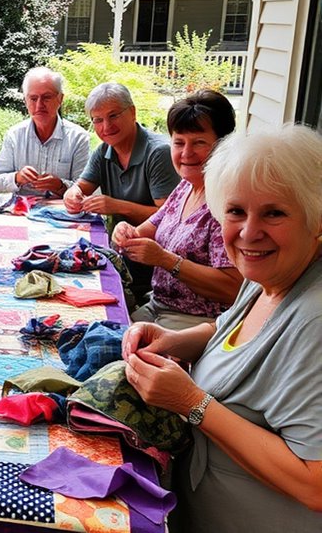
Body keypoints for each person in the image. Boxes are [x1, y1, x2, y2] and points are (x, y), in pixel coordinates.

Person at [122, 124, 322, 532]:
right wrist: (176, 340)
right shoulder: (267, 274)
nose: (249, 232)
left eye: (274, 212)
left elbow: (314, 484)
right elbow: (230, 330)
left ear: (316, 217)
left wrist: (191, 402)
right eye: (236, 211)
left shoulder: (315, 320)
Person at [112, 91, 242, 329]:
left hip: (196, 322)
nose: (186, 153)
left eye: (199, 142)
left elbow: (232, 287)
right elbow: (146, 230)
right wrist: (124, 231)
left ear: (223, 145)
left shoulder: (227, 204)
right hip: (157, 306)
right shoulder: (185, 187)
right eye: (179, 142)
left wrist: (165, 259)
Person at [64, 82, 180, 304]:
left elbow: (169, 219)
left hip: (152, 271)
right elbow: (80, 186)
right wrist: (73, 193)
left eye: (113, 115)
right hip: (120, 256)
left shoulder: (159, 152)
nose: (106, 126)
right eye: (97, 120)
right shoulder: (104, 151)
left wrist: (115, 205)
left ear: (133, 112)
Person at [0, 67, 90, 196]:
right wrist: (16, 178)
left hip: (61, 212)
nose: (39, 105)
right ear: (25, 101)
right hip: (20, 212)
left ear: (60, 99)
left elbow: (86, 189)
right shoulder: (15, 135)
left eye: (46, 97)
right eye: (33, 98)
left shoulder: (78, 138)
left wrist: (60, 186)